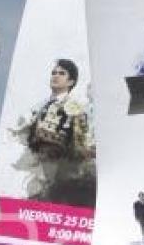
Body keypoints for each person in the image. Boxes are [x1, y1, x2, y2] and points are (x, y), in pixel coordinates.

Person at [14, 58, 96, 206]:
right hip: (40, 168)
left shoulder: (75, 107)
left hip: (62, 171)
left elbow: (82, 142)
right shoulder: (39, 107)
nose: (55, 76)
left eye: (61, 73)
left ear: (71, 82)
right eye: (54, 72)